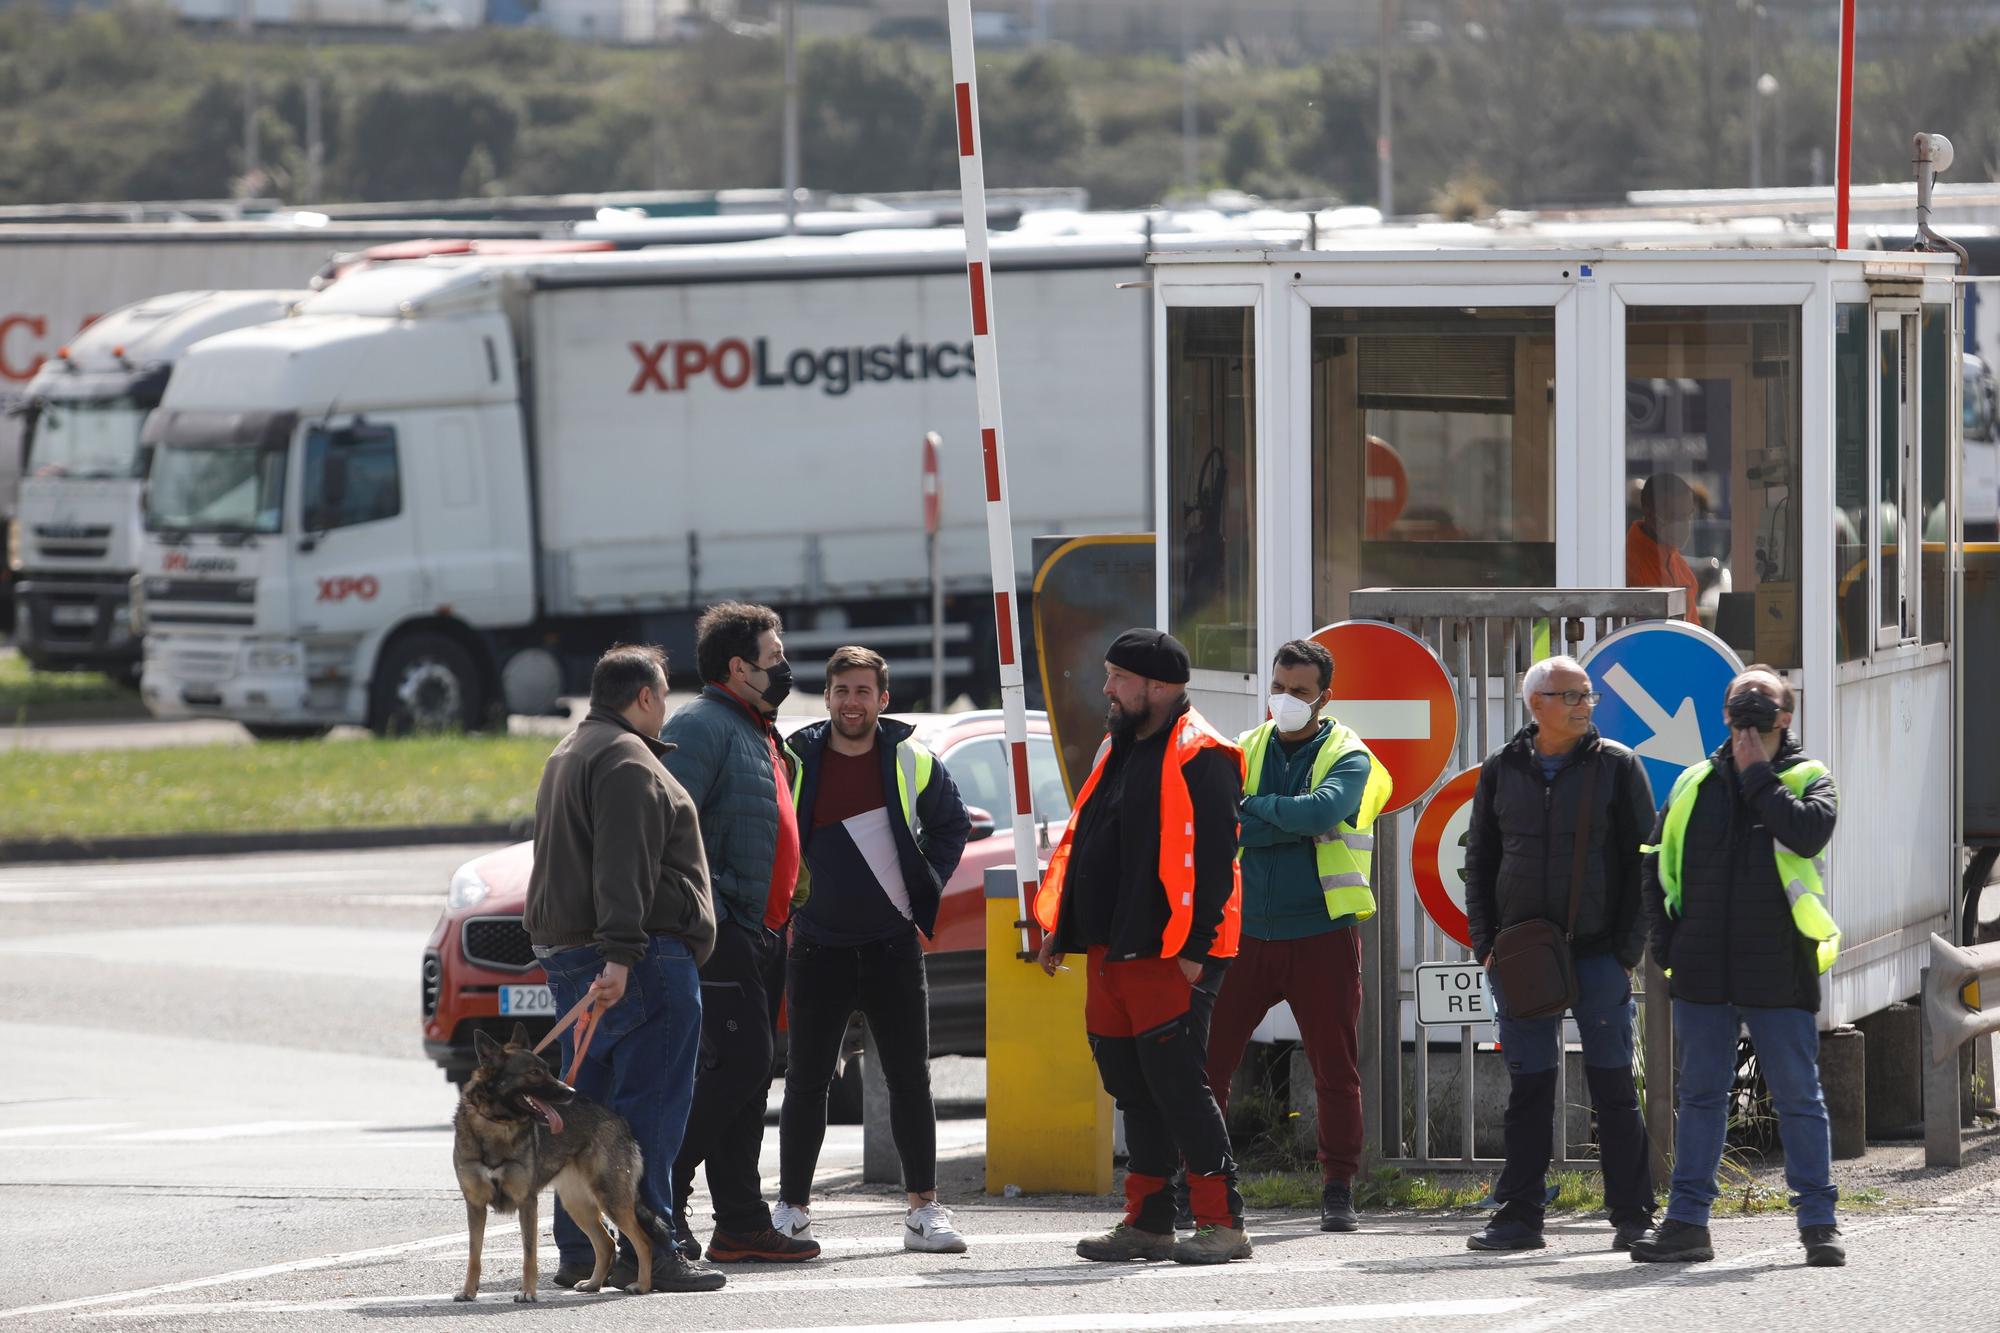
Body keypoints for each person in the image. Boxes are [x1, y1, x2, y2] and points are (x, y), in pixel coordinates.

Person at [1033, 628, 1252, 1266]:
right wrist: (1063, 930)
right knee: (1131, 1087)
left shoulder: (1202, 752)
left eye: (1117, 678)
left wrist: (1197, 949)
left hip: (1169, 953)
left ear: (1158, 686)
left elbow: (1217, 861)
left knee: (1179, 1089)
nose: (1106, 688)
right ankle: (1149, 1224)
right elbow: (1091, 842)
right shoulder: (1119, 745)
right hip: (1112, 951)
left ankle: (1223, 1224)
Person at [522, 644, 725, 1294]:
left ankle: (586, 1251)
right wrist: (619, 953)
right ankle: (652, 1248)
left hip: (583, 953)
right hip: (640, 958)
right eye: (662, 696)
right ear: (643, 696)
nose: (665, 709)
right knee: (650, 1109)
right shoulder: (626, 759)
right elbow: (622, 865)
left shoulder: (573, 749)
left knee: (589, 1111)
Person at [1632, 666, 1844, 1268]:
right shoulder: (1694, 783)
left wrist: (1756, 777)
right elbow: (1652, 859)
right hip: (1702, 969)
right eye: (1737, 712)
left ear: (1786, 717)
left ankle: (1819, 1224)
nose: (1747, 722)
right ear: (1723, 716)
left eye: (1760, 712)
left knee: (1799, 1097)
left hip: (1779, 967)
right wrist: (1668, 946)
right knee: (1700, 1097)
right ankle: (1687, 1223)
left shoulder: (1809, 779)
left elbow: (1807, 835)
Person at [775, 646, 974, 1253]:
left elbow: (953, 826)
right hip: (816, 946)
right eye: (842, 691)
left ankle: (924, 1212)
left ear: (882, 700)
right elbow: (769, 831)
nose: (852, 702)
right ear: (827, 696)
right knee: (807, 1082)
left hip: (891, 945)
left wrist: (924, 892)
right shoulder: (795, 757)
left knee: (911, 1079)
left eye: (864, 691)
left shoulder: (913, 759)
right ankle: (791, 1210)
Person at [1463, 654, 1657, 1253]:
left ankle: (1631, 1216)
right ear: (1536, 704)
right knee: (1530, 1089)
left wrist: (1627, 952)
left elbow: (1643, 864)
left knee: (1613, 1088)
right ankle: (1520, 1216)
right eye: (1570, 696)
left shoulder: (1618, 767)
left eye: (1587, 695)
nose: (1583, 705)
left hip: (1599, 955)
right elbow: (1481, 862)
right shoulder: (1502, 769)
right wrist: (1487, 946)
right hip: (1522, 957)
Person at [1204, 638, 1390, 1234]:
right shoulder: (1243, 747)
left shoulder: (1349, 753)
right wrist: (1281, 816)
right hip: (1245, 934)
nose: (1285, 700)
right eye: (1279, 688)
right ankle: (1199, 1182)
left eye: (1300, 692)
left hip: (1321, 933)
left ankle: (1338, 1190)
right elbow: (1224, 823)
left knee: (1335, 1070)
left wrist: (1257, 809)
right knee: (1207, 1066)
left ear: (1324, 698)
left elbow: (1321, 815)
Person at [658, 602, 819, 1264]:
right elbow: (667, 825)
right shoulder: (701, 726)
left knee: (750, 1078)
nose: (784, 666)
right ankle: (661, 1193)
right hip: (721, 929)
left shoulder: (755, 728)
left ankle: (741, 1220)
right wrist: (715, 910)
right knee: (743, 1063)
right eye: (773, 656)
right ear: (737, 667)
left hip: (762, 930)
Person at [1627, 472, 1701, 624]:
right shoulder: (1628, 565)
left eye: (1688, 516)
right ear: (1649, 512)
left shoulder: (1681, 567)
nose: (1684, 524)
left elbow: (1694, 629)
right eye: (1675, 516)